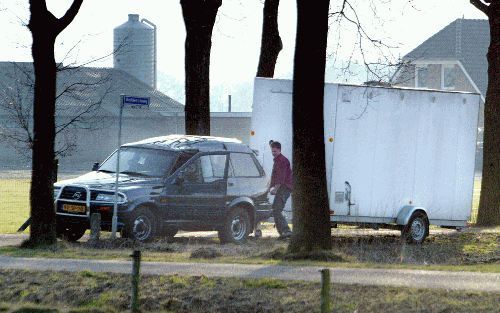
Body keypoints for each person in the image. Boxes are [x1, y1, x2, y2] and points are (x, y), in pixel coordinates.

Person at [268, 140, 293, 239]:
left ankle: (286, 231)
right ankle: (283, 234)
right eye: (272, 151)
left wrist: (275, 189)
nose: (273, 153)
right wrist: (270, 187)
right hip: (281, 187)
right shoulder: (277, 160)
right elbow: (274, 176)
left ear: (279, 150)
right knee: (275, 209)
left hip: (285, 187)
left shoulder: (282, 160)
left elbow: (281, 179)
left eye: (274, 151)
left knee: (277, 209)